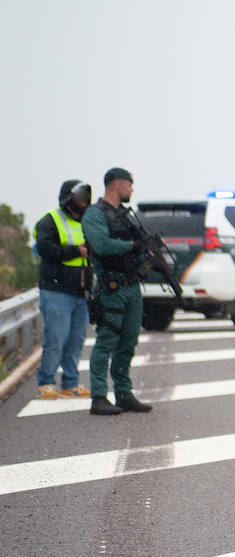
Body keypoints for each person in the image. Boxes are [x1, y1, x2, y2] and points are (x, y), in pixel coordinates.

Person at [82, 167, 153, 415]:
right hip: (111, 287)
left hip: (132, 286)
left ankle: (123, 394)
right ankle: (99, 397)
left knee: (128, 342)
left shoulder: (125, 215)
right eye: (129, 184)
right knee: (106, 341)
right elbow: (100, 244)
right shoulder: (95, 214)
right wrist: (133, 246)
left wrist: (146, 251)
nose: (131, 189)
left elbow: (138, 244)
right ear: (116, 185)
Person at [33, 179, 93, 399]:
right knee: (56, 339)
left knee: (76, 340)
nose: (83, 202)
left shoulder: (88, 222)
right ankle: (46, 382)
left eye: (85, 197)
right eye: (79, 197)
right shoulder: (50, 220)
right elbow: (45, 248)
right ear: (68, 198)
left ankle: (70, 383)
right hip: (56, 290)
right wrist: (75, 251)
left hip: (81, 291)